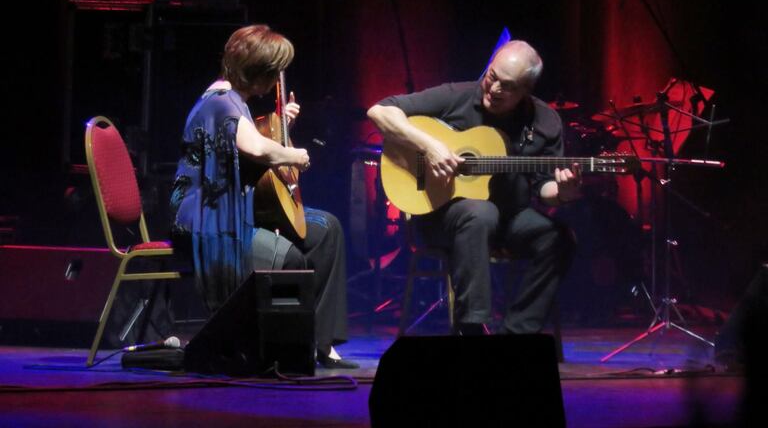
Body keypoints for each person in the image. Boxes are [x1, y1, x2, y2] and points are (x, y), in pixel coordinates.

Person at [170, 24, 357, 368]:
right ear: (257, 73)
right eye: (273, 73)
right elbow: (255, 147)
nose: (275, 81)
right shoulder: (220, 101)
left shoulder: (236, 103)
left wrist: (281, 123)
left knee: (324, 229)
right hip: (206, 220)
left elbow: (250, 140)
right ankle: (281, 350)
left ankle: (322, 342)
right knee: (289, 260)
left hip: (235, 210)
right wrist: (295, 154)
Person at [367, 40, 580, 335]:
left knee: (559, 238)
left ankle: (517, 332)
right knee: (480, 213)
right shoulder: (457, 96)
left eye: (507, 87)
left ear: (525, 91)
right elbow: (380, 111)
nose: (493, 89)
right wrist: (429, 147)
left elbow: (544, 186)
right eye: (492, 77)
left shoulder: (545, 121)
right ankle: (472, 326)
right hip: (439, 217)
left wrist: (564, 193)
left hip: (510, 219)